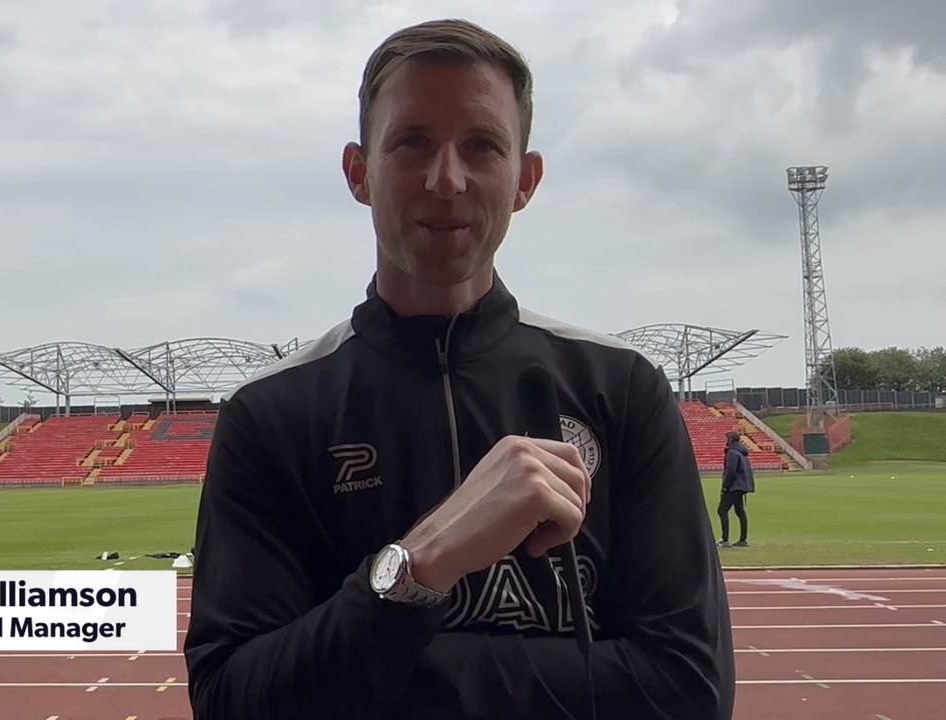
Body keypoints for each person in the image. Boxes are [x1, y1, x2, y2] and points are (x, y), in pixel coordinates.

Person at [184, 18, 735, 719]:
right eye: (411, 142)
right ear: (358, 172)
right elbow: (232, 700)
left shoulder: (620, 388)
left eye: (481, 146)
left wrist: (371, 672)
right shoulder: (271, 414)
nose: (446, 179)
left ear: (523, 180)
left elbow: (688, 691)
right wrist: (420, 563)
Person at [717, 431, 754, 548]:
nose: (724, 441)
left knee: (722, 510)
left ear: (730, 440)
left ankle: (725, 539)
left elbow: (730, 471)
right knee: (739, 511)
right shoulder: (741, 452)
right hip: (741, 485)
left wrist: (725, 485)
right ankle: (742, 540)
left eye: (725, 438)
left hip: (734, 486)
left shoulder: (732, 453)